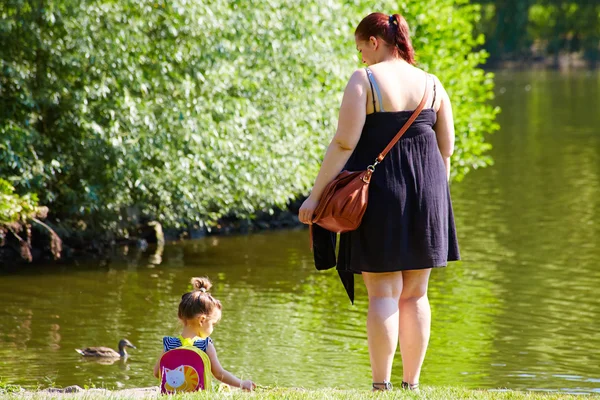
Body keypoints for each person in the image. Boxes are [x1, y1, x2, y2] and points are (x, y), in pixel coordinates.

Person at [298, 12, 460, 392]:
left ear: (374, 42)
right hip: (430, 192)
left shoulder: (365, 81)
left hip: (380, 193)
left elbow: (343, 143)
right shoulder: (433, 84)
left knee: (383, 293)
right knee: (417, 293)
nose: (361, 59)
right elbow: (447, 148)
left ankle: (380, 386)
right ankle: (412, 385)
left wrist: (316, 195)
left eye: (361, 50)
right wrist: (435, 200)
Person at [153, 277, 256, 391]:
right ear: (202, 320)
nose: (212, 328)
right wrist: (242, 383)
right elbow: (219, 373)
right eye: (213, 324)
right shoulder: (205, 345)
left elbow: (157, 373)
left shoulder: (169, 344)